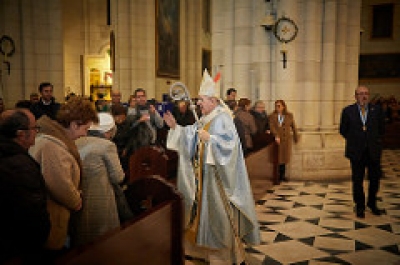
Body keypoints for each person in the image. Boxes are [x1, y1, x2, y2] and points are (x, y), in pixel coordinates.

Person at [163, 70, 260, 264]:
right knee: (201, 215)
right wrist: (176, 128)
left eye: (202, 100)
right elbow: (192, 134)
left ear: (213, 101)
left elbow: (232, 147)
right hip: (203, 178)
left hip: (217, 180)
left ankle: (221, 256)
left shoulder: (223, 119)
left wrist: (212, 140)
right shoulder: (207, 119)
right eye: (198, 100)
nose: (198, 103)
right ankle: (201, 251)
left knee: (217, 217)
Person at [29, 97, 98, 261]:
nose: (85, 134)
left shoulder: (53, 139)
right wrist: (76, 201)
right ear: (74, 125)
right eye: (85, 128)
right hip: (50, 217)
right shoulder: (52, 145)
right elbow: (59, 184)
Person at [0, 109, 50, 264]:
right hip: (18, 246)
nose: (36, 132)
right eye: (34, 128)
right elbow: (31, 212)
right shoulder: (20, 166)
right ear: (21, 134)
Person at [74, 112, 127, 247]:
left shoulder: (75, 141)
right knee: (104, 240)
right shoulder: (106, 145)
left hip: (79, 197)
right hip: (101, 199)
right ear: (108, 131)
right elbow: (118, 177)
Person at [339, 85, 385, 218]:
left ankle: (372, 203)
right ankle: (360, 206)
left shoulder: (376, 110)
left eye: (366, 93)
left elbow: (382, 129)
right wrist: (356, 139)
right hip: (356, 152)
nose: (363, 96)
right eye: (360, 94)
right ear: (355, 96)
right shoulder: (348, 111)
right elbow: (343, 130)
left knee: (374, 179)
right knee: (357, 180)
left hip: (373, 151)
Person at [269, 99, 299, 182]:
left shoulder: (289, 115)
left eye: (279, 106)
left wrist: (296, 137)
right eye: (276, 106)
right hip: (278, 140)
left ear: (283, 106)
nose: (277, 108)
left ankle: (283, 175)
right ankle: (277, 176)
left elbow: (293, 127)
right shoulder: (272, 116)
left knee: (284, 158)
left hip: (286, 140)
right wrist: (276, 135)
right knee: (278, 158)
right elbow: (272, 127)